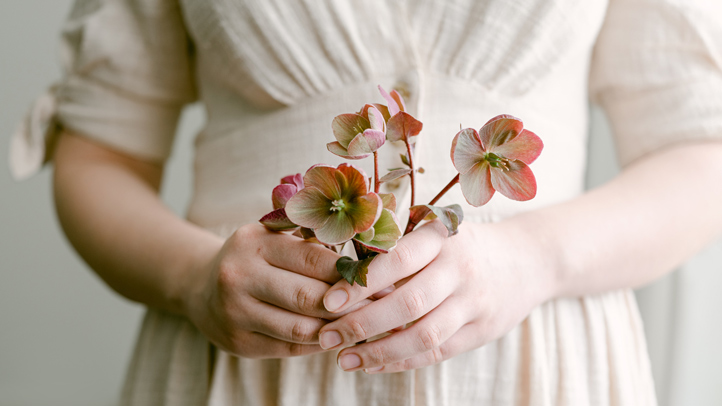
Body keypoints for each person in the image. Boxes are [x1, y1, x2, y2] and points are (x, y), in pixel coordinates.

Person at [9, 0, 722, 405]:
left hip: (534, 373)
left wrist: (532, 260)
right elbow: (100, 150)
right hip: (245, 375)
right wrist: (194, 281)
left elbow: (699, 148)